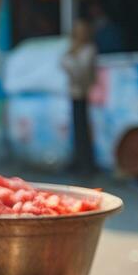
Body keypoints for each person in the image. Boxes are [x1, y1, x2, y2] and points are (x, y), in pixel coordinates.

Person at [61, 19, 97, 176]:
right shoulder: (72, 49)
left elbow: (81, 72)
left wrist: (71, 60)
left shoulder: (89, 50)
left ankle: (86, 163)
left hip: (85, 93)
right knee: (76, 128)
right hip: (74, 93)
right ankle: (77, 160)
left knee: (84, 129)